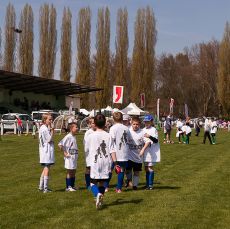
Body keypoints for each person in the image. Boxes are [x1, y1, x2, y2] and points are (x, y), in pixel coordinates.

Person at [84, 114, 113, 210]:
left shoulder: (90, 136)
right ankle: (100, 199)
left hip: (95, 162)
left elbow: (86, 149)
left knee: (92, 183)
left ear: (94, 124)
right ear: (105, 124)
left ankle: (98, 194)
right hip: (106, 161)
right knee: (103, 182)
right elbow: (112, 150)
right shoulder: (109, 136)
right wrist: (116, 163)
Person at [126, 116, 150, 190]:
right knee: (128, 170)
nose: (135, 126)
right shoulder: (128, 131)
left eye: (137, 124)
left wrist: (142, 149)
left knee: (136, 172)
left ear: (139, 124)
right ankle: (129, 181)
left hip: (138, 156)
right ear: (131, 123)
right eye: (134, 124)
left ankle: (135, 186)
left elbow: (148, 141)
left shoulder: (142, 132)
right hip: (129, 156)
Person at [109, 111, 129, 193]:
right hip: (124, 153)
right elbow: (129, 139)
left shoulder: (113, 128)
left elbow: (111, 140)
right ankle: (119, 188)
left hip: (115, 153)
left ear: (113, 119)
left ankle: (106, 186)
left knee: (110, 169)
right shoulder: (126, 128)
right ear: (122, 118)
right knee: (121, 171)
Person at [58, 121, 79, 191]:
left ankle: (72, 186)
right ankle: (68, 187)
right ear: (71, 128)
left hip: (74, 156)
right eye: (76, 127)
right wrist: (64, 152)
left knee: (73, 171)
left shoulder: (74, 136)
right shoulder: (68, 136)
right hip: (69, 157)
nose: (77, 128)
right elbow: (60, 144)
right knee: (69, 171)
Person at [142, 114, 160, 190]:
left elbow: (156, 140)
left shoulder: (154, 130)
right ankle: (147, 184)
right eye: (145, 122)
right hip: (145, 151)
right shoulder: (143, 130)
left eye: (148, 122)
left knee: (150, 168)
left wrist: (149, 136)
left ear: (151, 122)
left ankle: (150, 185)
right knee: (146, 168)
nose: (146, 123)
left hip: (152, 152)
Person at [38, 113, 55, 193]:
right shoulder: (44, 128)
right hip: (46, 151)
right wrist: (52, 131)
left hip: (44, 150)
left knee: (45, 168)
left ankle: (41, 186)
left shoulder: (43, 127)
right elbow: (49, 139)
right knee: (47, 167)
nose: (51, 121)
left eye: (51, 119)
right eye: (49, 119)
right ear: (45, 120)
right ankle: (45, 188)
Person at [83, 117, 96, 190]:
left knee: (94, 168)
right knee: (88, 168)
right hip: (89, 153)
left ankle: (93, 183)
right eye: (93, 123)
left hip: (96, 154)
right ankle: (88, 184)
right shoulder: (88, 133)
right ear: (90, 124)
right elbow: (86, 144)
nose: (94, 124)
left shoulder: (97, 131)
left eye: (95, 123)